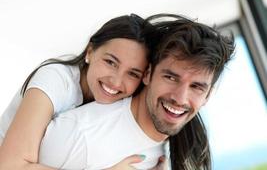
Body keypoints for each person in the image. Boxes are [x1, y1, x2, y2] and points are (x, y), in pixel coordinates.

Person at [22, 14, 235, 170]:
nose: (180, 98)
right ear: (148, 74)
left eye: (197, 87)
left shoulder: (175, 150)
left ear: (208, 96)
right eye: (170, 77)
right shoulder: (82, 132)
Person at [0, 14, 159, 169]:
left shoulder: (122, 109)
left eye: (132, 74)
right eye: (110, 62)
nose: (116, 82)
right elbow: (11, 165)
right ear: (90, 52)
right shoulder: (55, 79)